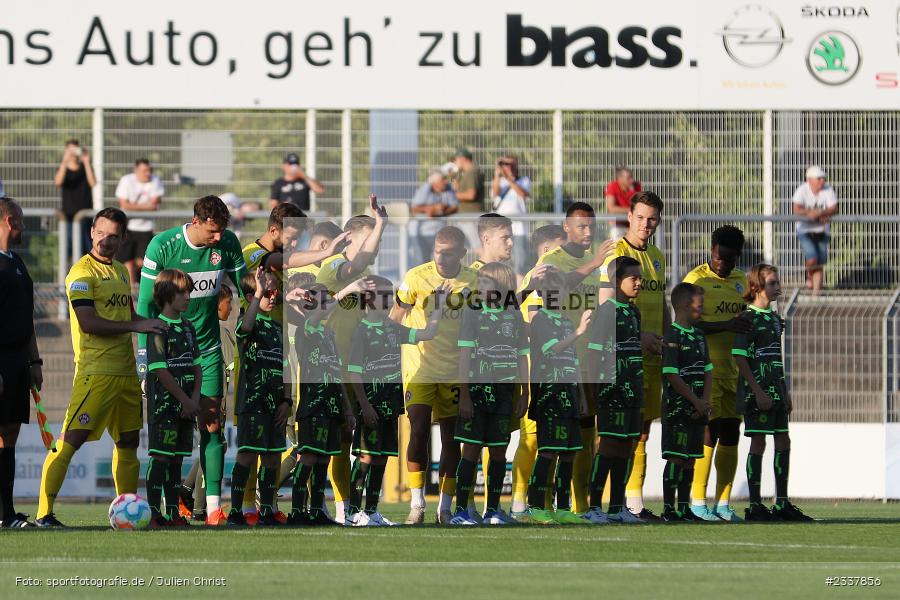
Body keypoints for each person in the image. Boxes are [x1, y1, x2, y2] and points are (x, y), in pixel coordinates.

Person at [36, 208, 166, 527]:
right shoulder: (81, 273)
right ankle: (43, 514)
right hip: (95, 373)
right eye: (100, 233)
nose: (105, 241)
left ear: (123, 239)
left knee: (128, 443)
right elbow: (88, 322)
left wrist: (151, 323)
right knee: (70, 440)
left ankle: (128, 508)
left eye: (113, 236)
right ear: (91, 231)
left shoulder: (122, 272)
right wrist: (135, 328)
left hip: (125, 373)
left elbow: (129, 316)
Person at [137, 195, 247, 526]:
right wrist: (145, 361)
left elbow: (246, 288)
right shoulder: (162, 245)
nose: (219, 238)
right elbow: (145, 306)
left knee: (212, 428)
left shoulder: (228, 242)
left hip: (208, 353)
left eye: (222, 232)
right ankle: (162, 509)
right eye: (213, 232)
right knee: (168, 443)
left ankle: (212, 508)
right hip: (169, 357)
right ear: (196, 221)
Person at [391, 226, 478, 525]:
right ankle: (416, 504)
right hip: (420, 368)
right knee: (417, 431)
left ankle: (445, 507)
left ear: (462, 254)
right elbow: (394, 321)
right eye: (438, 250)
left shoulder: (474, 281)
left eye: (448, 252)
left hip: (455, 370)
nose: (441, 257)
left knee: (452, 440)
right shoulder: (416, 277)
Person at [532, 202, 614, 515]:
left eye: (592, 226)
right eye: (581, 226)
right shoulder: (551, 261)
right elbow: (554, 286)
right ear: (566, 227)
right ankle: (532, 504)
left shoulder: (602, 265)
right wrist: (594, 264)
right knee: (545, 448)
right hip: (550, 376)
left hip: (581, 369)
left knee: (576, 443)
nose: (588, 232)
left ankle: (575, 507)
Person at [346, 275, 444, 526]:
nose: (390, 301)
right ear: (369, 299)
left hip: (390, 404)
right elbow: (354, 372)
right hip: (371, 405)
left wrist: (439, 305)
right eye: (384, 296)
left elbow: (428, 333)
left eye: (390, 296)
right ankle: (352, 512)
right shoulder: (361, 332)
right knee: (366, 458)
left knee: (381, 458)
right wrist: (364, 406)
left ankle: (371, 511)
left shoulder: (392, 328)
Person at [315, 195, 388, 524]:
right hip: (326, 367)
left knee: (345, 440)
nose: (373, 246)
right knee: (317, 441)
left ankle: (347, 509)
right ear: (347, 239)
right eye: (368, 237)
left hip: (349, 369)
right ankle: (270, 499)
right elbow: (356, 266)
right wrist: (382, 223)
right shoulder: (335, 267)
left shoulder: (360, 274)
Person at [599, 190, 667, 520]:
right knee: (613, 432)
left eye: (651, 218)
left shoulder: (656, 257)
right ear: (629, 217)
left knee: (642, 430)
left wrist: (667, 342)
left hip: (652, 359)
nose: (645, 224)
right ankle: (598, 501)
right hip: (622, 357)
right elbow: (604, 308)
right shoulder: (617, 253)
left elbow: (662, 303)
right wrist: (637, 336)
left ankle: (633, 501)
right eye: (640, 217)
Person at [451, 262, 528, 526]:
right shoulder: (472, 313)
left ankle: (493, 510)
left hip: (505, 394)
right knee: (470, 451)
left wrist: (524, 392)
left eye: (485, 283)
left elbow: (521, 357)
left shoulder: (514, 315)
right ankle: (460, 510)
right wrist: (464, 394)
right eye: (480, 282)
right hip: (476, 392)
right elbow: (464, 356)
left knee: (498, 453)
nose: (480, 288)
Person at [285, 280, 369, 525]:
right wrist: (348, 289)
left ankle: (316, 512)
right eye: (322, 297)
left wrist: (347, 409)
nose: (327, 302)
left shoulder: (328, 334)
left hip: (332, 404)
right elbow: (320, 312)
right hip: (313, 403)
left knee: (323, 459)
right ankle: (297, 512)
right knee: (309, 458)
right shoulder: (306, 328)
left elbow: (335, 372)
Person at [735, 264, 812, 522]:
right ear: (756, 286)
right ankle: (755, 505)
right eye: (772, 283)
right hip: (758, 392)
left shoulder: (773, 318)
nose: (778, 287)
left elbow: (775, 357)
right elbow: (741, 358)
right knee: (758, 442)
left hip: (776, 390)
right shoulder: (746, 319)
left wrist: (784, 390)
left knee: (783, 441)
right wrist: (756, 391)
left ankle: (782, 502)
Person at [683, 226, 750, 522]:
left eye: (728, 259)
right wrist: (726, 325)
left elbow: (747, 320)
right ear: (712, 249)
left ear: (737, 257)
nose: (721, 263)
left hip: (734, 372)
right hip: (705, 372)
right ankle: (698, 501)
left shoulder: (741, 282)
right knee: (707, 433)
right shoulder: (696, 279)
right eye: (718, 256)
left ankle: (723, 503)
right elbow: (685, 323)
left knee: (731, 434)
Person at [524, 268, 591, 524]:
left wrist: (582, 394)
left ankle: (563, 507)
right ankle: (535, 505)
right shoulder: (540, 319)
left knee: (569, 452)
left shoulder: (565, 322)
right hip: (549, 395)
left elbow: (571, 360)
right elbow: (551, 351)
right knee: (549, 452)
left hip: (569, 394)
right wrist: (579, 332)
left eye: (561, 290)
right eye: (552, 290)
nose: (557, 294)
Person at [509, 224, 566, 516]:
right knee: (532, 438)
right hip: (534, 370)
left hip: (558, 372)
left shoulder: (558, 283)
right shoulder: (531, 283)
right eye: (560, 247)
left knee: (552, 440)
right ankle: (521, 502)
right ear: (546, 251)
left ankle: (544, 501)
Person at [227, 267, 292, 527]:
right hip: (252, 401)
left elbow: (286, 367)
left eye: (275, 291)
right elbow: (245, 329)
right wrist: (257, 294)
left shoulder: (278, 327)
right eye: (268, 292)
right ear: (253, 294)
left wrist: (287, 401)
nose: (273, 296)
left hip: (275, 402)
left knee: (273, 457)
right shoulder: (248, 320)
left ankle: (266, 510)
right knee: (247, 455)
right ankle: (235, 512)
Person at [585, 256, 644, 524]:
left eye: (640, 278)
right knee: (608, 445)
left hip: (633, 389)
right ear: (617, 281)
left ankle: (617, 507)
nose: (639, 283)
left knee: (626, 447)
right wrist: (594, 391)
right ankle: (594, 506)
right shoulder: (606, 311)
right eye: (634, 278)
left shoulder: (634, 312)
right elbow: (594, 354)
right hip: (612, 390)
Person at [144, 269, 201, 528]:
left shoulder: (189, 327)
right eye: (182, 291)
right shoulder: (157, 327)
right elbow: (160, 371)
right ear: (167, 295)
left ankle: (173, 514)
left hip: (187, 407)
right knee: (161, 459)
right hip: (166, 407)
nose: (188, 296)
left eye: (189, 290)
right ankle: (154, 514)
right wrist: (183, 400)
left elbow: (197, 366)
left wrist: (194, 399)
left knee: (177, 460)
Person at [0, 197, 42, 528]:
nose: (24, 228)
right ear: (10, 220)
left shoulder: (16, 262)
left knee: (10, 434)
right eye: (22, 221)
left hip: (17, 360)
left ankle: (7, 513)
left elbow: (25, 317)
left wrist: (35, 360)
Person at [179, 283, 236, 521]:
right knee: (213, 444)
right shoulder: (220, 332)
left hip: (204, 398)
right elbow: (225, 369)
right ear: (215, 304)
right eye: (228, 302)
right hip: (210, 400)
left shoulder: (217, 330)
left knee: (213, 444)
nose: (231, 308)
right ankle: (202, 508)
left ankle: (186, 492)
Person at [659, 283, 712, 522]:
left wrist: (705, 401)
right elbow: (671, 374)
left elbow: (708, 370)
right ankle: (669, 509)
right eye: (699, 306)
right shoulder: (672, 335)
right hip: (678, 407)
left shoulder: (700, 336)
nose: (702, 310)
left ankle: (684, 507)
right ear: (683, 305)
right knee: (676, 457)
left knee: (691, 458)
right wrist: (694, 400)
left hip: (698, 407)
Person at [115, 158, 164, 285]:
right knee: (127, 261)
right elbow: (123, 204)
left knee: (143, 262)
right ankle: (131, 291)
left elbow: (154, 205)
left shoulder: (155, 181)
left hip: (146, 229)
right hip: (128, 227)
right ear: (136, 171)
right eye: (144, 171)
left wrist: (133, 207)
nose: (147, 173)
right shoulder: (126, 180)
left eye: (149, 170)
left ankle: (139, 288)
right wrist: (145, 208)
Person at [792, 165, 838, 294]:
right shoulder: (802, 190)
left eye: (822, 178)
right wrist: (809, 213)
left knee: (820, 262)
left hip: (822, 230)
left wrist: (821, 213)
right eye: (819, 178)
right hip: (805, 230)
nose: (822, 181)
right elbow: (796, 209)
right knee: (812, 257)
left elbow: (834, 208)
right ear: (809, 180)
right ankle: (809, 274)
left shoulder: (827, 189)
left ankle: (816, 294)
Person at [53, 140, 96, 263]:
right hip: (69, 216)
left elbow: (93, 183)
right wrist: (64, 161)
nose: (73, 153)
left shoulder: (85, 167)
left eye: (75, 149)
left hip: (85, 215)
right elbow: (58, 182)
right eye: (70, 150)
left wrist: (87, 162)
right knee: (69, 250)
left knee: (87, 249)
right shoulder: (63, 168)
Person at [490, 155, 531, 273]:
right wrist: (498, 174)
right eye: (505, 164)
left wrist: (509, 178)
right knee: (500, 262)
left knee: (520, 263)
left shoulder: (524, 180)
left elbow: (523, 194)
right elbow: (495, 193)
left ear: (516, 165)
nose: (508, 167)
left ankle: (519, 288)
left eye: (511, 164)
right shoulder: (499, 181)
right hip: (501, 228)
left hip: (518, 228)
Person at [411, 170, 459, 264]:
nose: (446, 181)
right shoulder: (424, 190)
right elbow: (414, 208)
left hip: (439, 231)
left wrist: (443, 210)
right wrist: (430, 209)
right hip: (420, 232)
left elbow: (454, 206)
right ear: (434, 183)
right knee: (421, 261)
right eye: (442, 180)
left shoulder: (448, 188)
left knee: (439, 260)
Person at [604, 165, 642, 240]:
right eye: (628, 178)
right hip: (617, 225)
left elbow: (640, 207)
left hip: (633, 225)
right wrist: (631, 210)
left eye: (632, 177)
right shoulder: (612, 186)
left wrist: (632, 192)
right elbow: (612, 208)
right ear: (620, 179)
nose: (631, 180)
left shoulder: (636, 186)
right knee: (618, 247)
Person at [451, 148, 484, 214]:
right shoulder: (467, 172)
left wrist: (451, 195)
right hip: (467, 215)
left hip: (470, 216)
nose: (454, 162)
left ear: (463, 158)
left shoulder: (471, 172)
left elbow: (470, 195)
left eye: (455, 160)